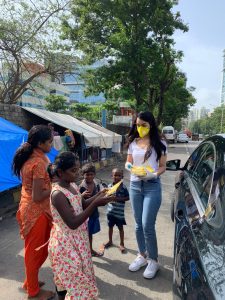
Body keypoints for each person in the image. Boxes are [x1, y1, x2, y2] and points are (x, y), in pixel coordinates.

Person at [47, 151, 112, 299]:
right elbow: (73, 223)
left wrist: (100, 195)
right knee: (73, 282)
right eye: (73, 170)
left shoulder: (73, 186)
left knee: (78, 278)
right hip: (66, 243)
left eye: (77, 169)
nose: (77, 173)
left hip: (79, 240)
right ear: (60, 172)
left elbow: (82, 205)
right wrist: (95, 203)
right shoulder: (58, 194)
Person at [12, 125, 54, 300]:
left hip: (33, 209)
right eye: (50, 141)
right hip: (36, 212)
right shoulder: (37, 163)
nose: (52, 144)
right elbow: (37, 195)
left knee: (37, 250)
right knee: (36, 251)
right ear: (40, 143)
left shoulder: (34, 157)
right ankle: (33, 293)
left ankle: (30, 282)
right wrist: (56, 188)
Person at [125, 111, 167, 279]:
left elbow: (163, 166)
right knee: (137, 225)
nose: (140, 128)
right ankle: (142, 255)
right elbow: (128, 162)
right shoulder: (133, 142)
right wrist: (131, 168)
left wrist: (153, 174)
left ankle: (153, 260)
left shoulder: (160, 143)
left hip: (152, 186)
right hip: (135, 185)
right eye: (138, 125)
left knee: (147, 225)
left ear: (151, 125)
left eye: (144, 125)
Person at [79, 163, 103, 257]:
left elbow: (98, 198)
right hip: (85, 215)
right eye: (87, 174)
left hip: (93, 213)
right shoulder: (81, 187)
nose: (89, 176)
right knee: (84, 235)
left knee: (90, 234)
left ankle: (89, 249)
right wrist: (81, 196)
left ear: (94, 175)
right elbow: (77, 202)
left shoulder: (96, 184)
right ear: (83, 175)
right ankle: (86, 251)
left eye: (91, 174)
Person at [104, 168, 129, 253]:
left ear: (122, 177)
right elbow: (106, 196)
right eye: (115, 175)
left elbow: (127, 197)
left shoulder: (123, 187)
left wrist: (117, 198)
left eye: (119, 175)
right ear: (112, 176)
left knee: (120, 228)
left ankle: (122, 243)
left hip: (119, 213)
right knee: (110, 227)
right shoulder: (110, 186)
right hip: (110, 212)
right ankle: (110, 241)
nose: (117, 177)